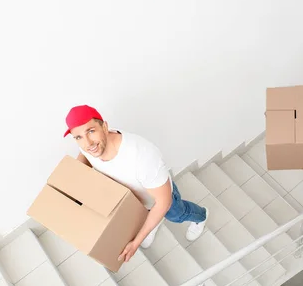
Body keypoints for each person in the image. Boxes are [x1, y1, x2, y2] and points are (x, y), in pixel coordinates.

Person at [63, 104, 209, 263]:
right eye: (78, 137)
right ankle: (153, 223)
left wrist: (136, 243)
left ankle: (201, 215)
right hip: (133, 202)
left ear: (105, 127)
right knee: (142, 218)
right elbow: (83, 155)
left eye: (91, 131)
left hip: (159, 199)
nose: (88, 143)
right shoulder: (88, 147)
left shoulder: (141, 156)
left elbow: (163, 202)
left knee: (177, 215)